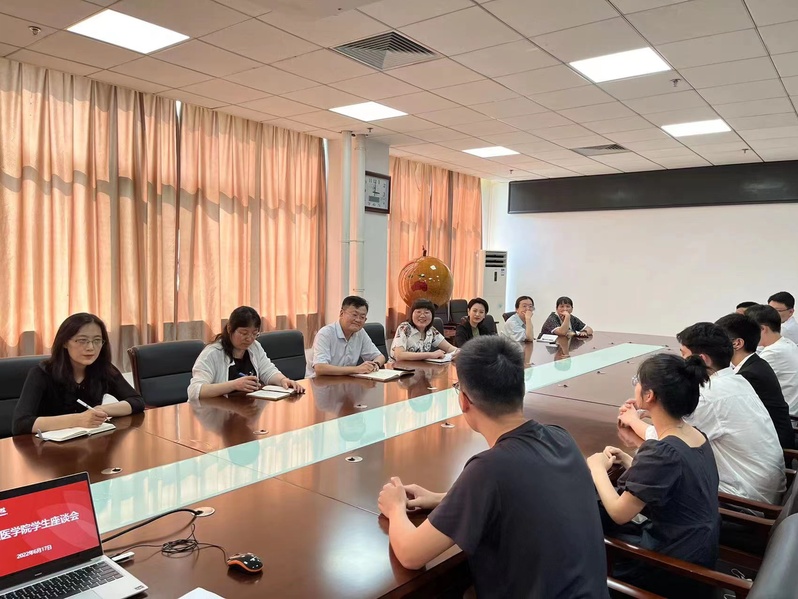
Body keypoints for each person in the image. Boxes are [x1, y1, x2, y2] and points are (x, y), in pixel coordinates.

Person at [377, 336, 609, 598]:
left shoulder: (488, 469)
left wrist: (395, 508)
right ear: (522, 389)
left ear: (464, 401)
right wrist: (444, 499)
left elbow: (411, 554)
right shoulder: (560, 437)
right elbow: (519, 496)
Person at [588, 353, 720, 598]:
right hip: (697, 548)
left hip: (672, 564)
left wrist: (596, 468)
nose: (636, 386)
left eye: (638, 381)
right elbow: (668, 479)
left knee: (591, 517)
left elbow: (619, 513)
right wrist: (628, 460)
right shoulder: (694, 434)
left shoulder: (663, 452)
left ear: (649, 395)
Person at [619, 322, 785, 504]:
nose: (682, 362)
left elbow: (669, 439)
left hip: (742, 500)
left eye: (684, 355)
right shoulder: (735, 380)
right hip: (766, 488)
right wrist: (652, 409)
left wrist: (632, 420)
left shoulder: (708, 396)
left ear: (702, 360)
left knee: (641, 481)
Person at [12, 313, 145, 435]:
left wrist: (101, 409)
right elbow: (20, 424)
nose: (90, 347)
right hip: (47, 447)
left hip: (89, 444)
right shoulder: (41, 373)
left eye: (97, 340)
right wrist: (78, 420)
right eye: (82, 340)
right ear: (65, 342)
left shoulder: (104, 369)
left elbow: (137, 402)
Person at [188, 306, 305, 402]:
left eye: (254, 334)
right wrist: (233, 385)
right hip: (217, 413)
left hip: (245, 409)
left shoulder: (255, 347)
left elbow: (268, 370)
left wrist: (283, 380)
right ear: (229, 328)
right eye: (244, 333)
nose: (249, 339)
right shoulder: (212, 353)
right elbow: (195, 391)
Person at [715, 313, 794, 449]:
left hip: (773, 444)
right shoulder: (755, 363)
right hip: (770, 436)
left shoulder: (749, 374)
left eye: (717, 341)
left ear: (737, 343)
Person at [309, 296, 386, 377]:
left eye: (362, 317)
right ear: (341, 313)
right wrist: (357, 369)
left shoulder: (360, 333)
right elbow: (320, 368)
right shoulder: (325, 334)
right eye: (354, 315)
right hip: (320, 381)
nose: (358, 320)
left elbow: (380, 357)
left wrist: (374, 364)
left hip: (347, 380)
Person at [746, 304, 798, 417]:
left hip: (784, 417)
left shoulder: (773, 353)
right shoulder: (787, 343)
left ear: (762, 329)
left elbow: (742, 382)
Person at [391, 298, 457, 361]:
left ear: (432, 316)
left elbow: (449, 348)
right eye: (418, 312)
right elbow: (399, 355)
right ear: (411, 314)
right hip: (398, 367)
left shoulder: (431, 331)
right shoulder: (404, 328)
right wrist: (430, 355)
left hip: (421, 367)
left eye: (426, 312)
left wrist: (459, 352)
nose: (422, 316)